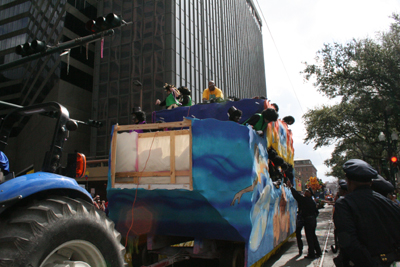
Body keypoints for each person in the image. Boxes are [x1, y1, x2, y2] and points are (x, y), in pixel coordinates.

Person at [333, 159, 400, 267]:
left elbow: (349, 242)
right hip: (388, 262)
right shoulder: (387, 203)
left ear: (349, 181)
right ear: (371, 182)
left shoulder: (344, 203)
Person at [286, 180, 322, 259]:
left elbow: (296, 196)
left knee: (309, 237)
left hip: (308, 220)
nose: (305, 192)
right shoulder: (312, 202)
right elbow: (317, 212)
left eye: (306, 191)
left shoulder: (305, 200)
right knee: (313, 236)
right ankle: (318, 251)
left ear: (309, 194)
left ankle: (311, 254)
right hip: (312, 220)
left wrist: (291, 187)